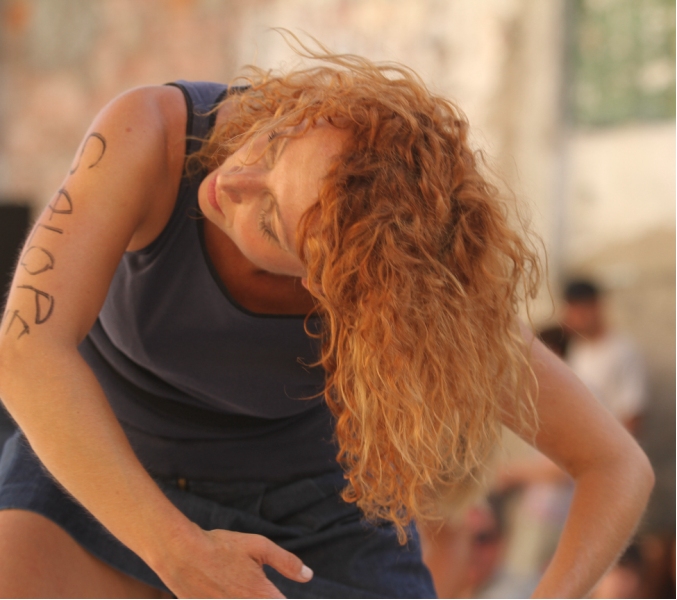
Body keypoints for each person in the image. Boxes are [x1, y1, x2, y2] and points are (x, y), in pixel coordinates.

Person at [0, 39, 654, 598]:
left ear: (329, 286)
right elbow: (25, 353)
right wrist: (177, 549)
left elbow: (615, 466)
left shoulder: (400, 294)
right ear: (310, 113)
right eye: (272, 146)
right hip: (107, 472)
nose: (233, 180)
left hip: (311, 521)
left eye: (268, 220)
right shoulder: (150, 132)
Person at [562, 279, 647, 435]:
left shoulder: (623, 350)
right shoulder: (575, 348)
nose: (573, 318)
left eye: (579, 311)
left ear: (595, 307)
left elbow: (633, 414)